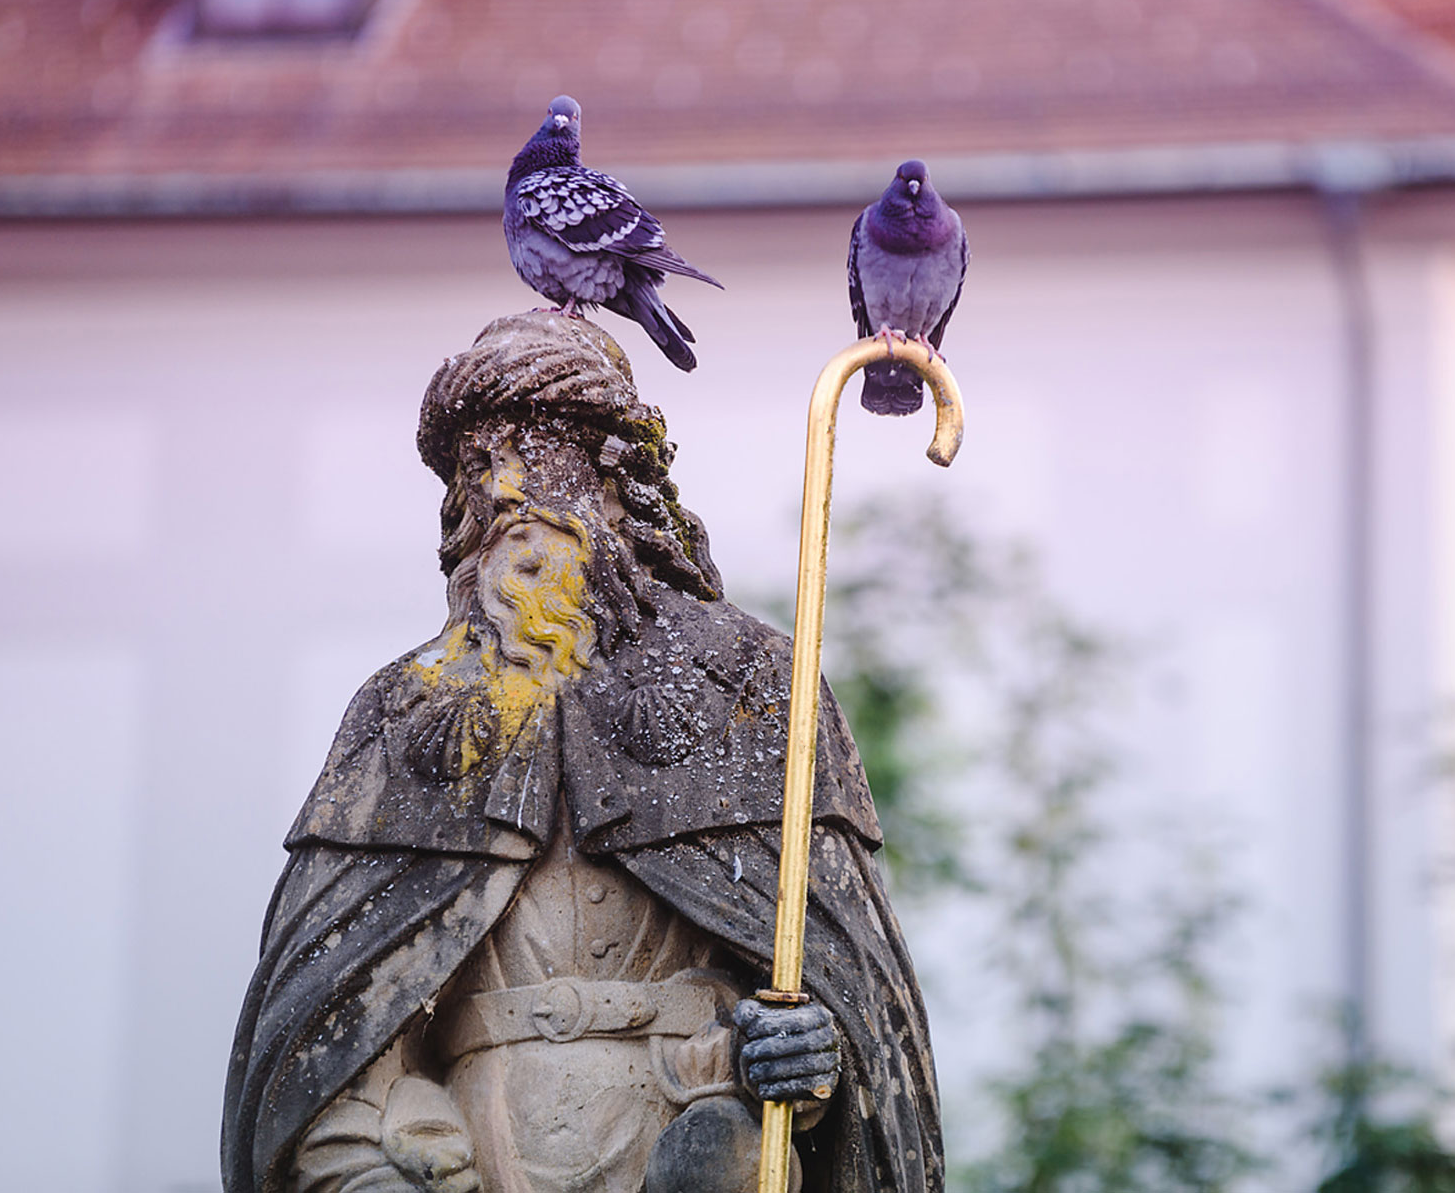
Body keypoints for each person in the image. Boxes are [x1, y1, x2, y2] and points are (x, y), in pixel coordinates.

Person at [222, 313, 939, 1193]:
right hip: (478, 1156)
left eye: (548, 485)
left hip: (695, 1139)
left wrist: (816, 1050)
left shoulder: (750, 678)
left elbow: (844, 999)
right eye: (487, 498)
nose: (520, 533)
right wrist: (367, 1166)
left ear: (617, 490)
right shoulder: (402, 713)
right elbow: (332, 1035)